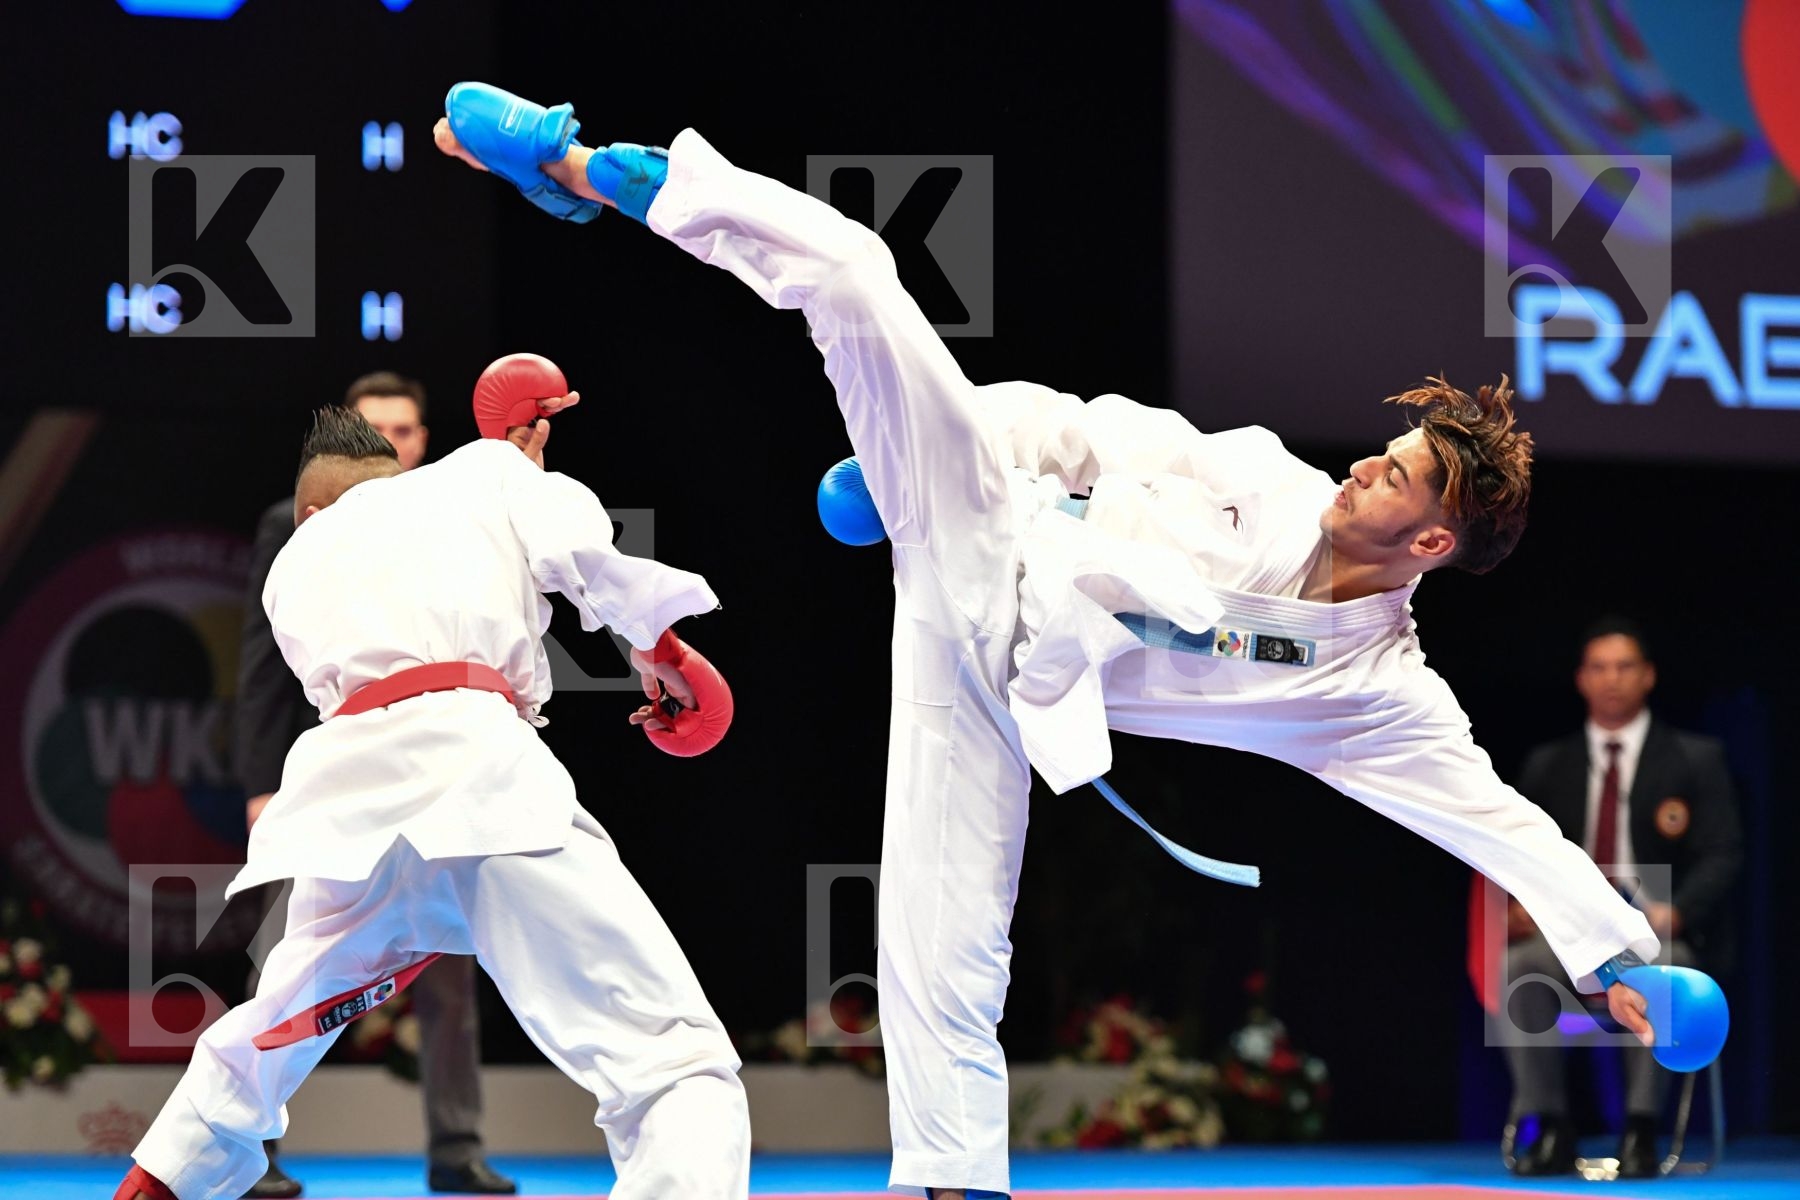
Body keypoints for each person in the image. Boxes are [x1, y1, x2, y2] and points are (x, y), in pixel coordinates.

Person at [434, 86, 1665, 1199]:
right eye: (1380, 450)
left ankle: (948, 1185)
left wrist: (1623, 959)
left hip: (1005, 690)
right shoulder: (1262, 477)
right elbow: (1083, 429)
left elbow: (1499, 823)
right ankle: (581, 163)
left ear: (1433, 545)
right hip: (984, 528)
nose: (1358, 465)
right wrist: (905, 459)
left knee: (947, 942)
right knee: (856, 271)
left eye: (1392, 476)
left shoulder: (1379, 696)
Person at [117, 406, 749, 1200]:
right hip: (481, 774)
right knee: (673, 1058)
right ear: (400, 477)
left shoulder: (292, 565)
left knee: (271, 1025)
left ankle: (159, 1176)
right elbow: (575, 542)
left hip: (351, 801)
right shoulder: (474, 477)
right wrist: (659, 645)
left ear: (309, 511)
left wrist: (506, 467)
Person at [235, 371, 512, 1196]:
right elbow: (262, 669)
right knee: (286, 961)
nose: (393, 440)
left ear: (425, 442)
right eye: (376, 428)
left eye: (407, 430)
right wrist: (260, 784)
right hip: (329, 780)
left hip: (440, 778)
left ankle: (457, 1149)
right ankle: (253, 1146)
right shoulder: (294, 524)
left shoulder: (460, 526)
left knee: (452, 963)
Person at [1500, 617, 1742, 1178]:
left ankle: (1641, 1129)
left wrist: (1675, 909)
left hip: (1657, 931)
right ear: (1582, 679)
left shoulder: (1695, 758)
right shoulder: (1547, 765)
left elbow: (1723, 853)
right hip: (1573, 937)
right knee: (1519, 965)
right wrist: (1526, 906)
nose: (1612, 680)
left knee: (1665, 968)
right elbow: (1519, 853)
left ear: (1648, 676)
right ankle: (1552, 1127)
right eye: (1599, 668)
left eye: (1625, 666)